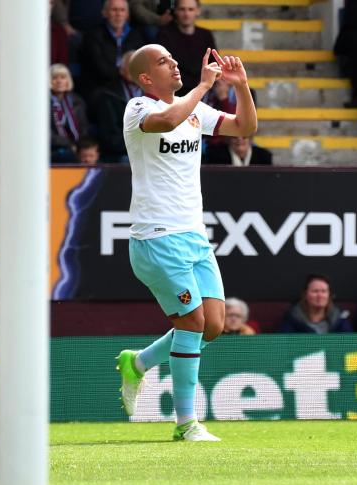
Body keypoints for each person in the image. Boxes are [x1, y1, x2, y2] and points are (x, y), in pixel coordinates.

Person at [115, 45, 257, 442]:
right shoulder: (138, 109)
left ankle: (138, 363)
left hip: (194, 236)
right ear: (145, 78)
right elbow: (168, 120)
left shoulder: (194, 107)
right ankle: (186, 423)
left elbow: (244, 129)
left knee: (211, 326)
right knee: (191, 323)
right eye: (164, 62)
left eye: (174, 59)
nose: (174, 64)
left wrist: (242, 87)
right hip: (156, 238)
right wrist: (203, 86)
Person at [79, 0, 145, 103]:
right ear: (104, 13)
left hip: (130, 85)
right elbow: (101, 70)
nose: (118, 14)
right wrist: (125, 72)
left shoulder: (136, 36)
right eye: (114, 10)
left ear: (127, 14)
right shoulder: (92, 36)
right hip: (102, 87)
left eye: (122, 10)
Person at [156, 0, 217, 97]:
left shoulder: (206, 35)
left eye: (191, 9)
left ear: (198, 11)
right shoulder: (165, 34)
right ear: (175, 11)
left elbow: (214, 63)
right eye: (182, 9)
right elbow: (164, 67)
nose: (186, 14)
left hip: (203, 89)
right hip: (176, 89)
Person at [94, 48, 142, 162]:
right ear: (121, 70)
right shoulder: (108, 95)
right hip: (124, 151)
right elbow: (110, 137)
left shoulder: (156, 92)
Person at [280, 274, 353, 333]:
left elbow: (350, 344)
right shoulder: (293, 317)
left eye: (324, 291)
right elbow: (284, 345)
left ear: (329, 295)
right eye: (315, 291)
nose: (320, 295)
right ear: (305, 295)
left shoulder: (339, 317)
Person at [50, 63, 90, 163]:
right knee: (67, 155)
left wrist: (80, 146)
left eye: (63, 77)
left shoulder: (77, 101)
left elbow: (84, 127)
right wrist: (69, 144)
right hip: (53, 148)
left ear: (68, 80)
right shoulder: (42, 103)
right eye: (55, 78)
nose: (59, 81)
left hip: (76, 146)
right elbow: (47, 134)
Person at [204, 135, 273, 165]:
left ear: (250, 139)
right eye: (235, 137)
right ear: (229, 139)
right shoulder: (214, 156)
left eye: (244, 137)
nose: (239, 139)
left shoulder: (264, 156)